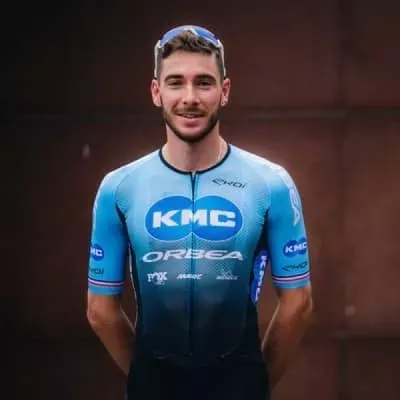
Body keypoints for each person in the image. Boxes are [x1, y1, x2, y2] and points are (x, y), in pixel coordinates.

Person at [86, 25, 313, 400]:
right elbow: (100, 310)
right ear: (156, 92)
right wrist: (150, 380)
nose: (189, 98)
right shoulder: (119, 187)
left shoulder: (271, 183)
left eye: (203, 83)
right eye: (176, 82)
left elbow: (298, 304)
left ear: (225, 91)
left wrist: (252, 386)